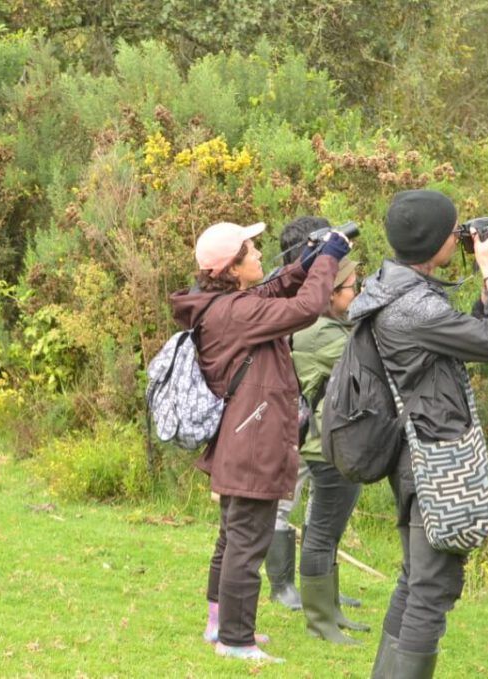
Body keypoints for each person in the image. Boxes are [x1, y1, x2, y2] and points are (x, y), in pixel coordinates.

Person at [348, 190, 488, 678]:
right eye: (455, 231)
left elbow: (464, 335)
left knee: (415, 579)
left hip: (413, 454)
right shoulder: (416, 309)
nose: (461, 235)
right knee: (431, 588)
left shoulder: (391, 288)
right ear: (432, 242)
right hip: (434, 462)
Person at [170, 220, 351, 663]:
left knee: (233, 538)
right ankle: (236, 639)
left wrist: (307, 260)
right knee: (247, 544)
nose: (258, 256)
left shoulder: (224, 303)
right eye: (250, 251)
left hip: (241, 438)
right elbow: (307, 307)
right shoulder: (235, 312)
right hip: (253, 441)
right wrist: (330, 257)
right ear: (232, 268)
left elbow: (276, 290)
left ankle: (219, 622)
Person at [291, 251, 371, 644]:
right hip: (327, 445)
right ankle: (320, 621)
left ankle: (331, 610)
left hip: (336, 442)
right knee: (322, 533)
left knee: (329, 532)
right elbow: (367, 365)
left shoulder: (329, 326)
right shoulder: (320, 332)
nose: (357, 294)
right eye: (353, 288)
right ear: (331, 293)